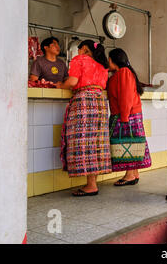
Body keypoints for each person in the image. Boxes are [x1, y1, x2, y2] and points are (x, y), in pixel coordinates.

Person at [58, 40, 111, 197]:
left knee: (82, 141)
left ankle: (91, 185)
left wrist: (60, 86)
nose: (78, 51)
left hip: (84, 102)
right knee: (96, 143)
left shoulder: (79, 60)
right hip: (100, 102)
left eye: (79, 49)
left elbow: (72, 81)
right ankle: (91, 184)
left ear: (84, 49)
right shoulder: (102, 65)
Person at [107, 48, 152, 186]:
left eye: (109, 58)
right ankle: (134, 173)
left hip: (126, 114)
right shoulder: (121, 73)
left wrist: (124, 117)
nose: (107, 61)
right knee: (132, 143)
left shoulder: (124, 72)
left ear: (114, 60)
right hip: (127, 114)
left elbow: (126, 96)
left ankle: (130, 175)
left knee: (127, 143)